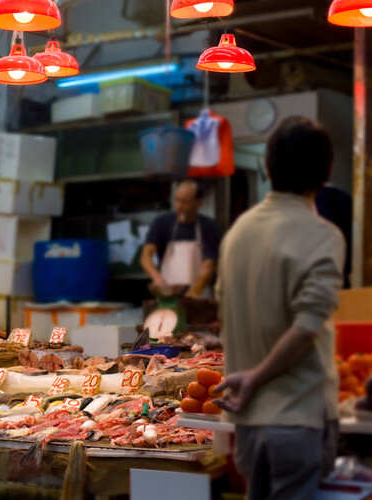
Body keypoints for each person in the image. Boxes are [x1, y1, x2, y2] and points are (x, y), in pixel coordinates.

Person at [214, 116, 344, 500]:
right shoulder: (323, 235)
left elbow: (227, 313)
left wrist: (249, 378)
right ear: (328, 172)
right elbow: (306, 328)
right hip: (297, 419)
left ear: (267, 169)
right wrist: (256, 376)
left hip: (248, 425)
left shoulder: (237, 232)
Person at [140, 180, 222, 297]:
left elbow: (209, 264)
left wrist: (194, 292)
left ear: (199, 203)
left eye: (184, 202)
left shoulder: (209, 226)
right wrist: (157, 279)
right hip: (167, 295)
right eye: (176, 200)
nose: (178, 206)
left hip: (199, 296)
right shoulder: (162, 223)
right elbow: (146, 255)